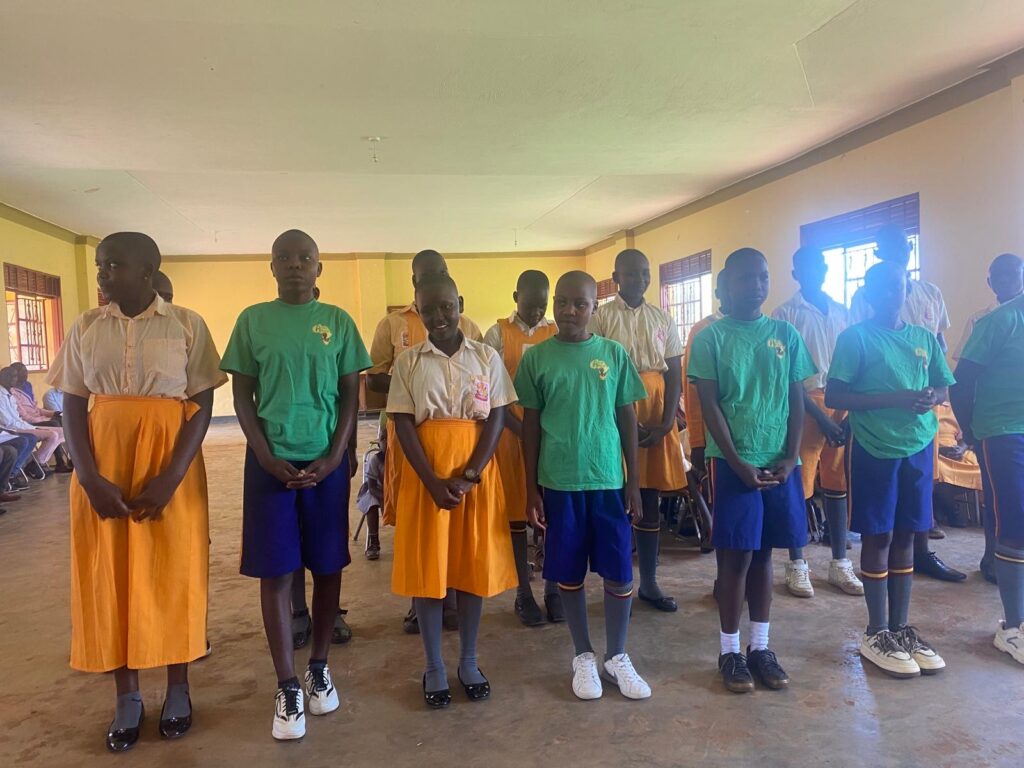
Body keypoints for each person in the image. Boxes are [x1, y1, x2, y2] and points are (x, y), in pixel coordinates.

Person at [46, 231, 225, 751]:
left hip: (170, 465)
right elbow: (72, 402)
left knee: (172, 570)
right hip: (103, 463)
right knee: (111, 574)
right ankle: (126, 696)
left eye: (113, 265)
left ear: (147, 271)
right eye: (100, 265)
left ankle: (178, 687)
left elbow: (202, 403)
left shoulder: (186, 324)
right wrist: (87, 475)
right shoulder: (85, 327)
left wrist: (172, 476)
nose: (102, 274)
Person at [221, 229, 370, 741]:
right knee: (277, 570)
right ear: (271, 266)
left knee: (327, 565)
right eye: (284, 257)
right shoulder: (252, 321)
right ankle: (287, 685)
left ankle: (319, 666)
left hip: (325, 463)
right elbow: (242, 397)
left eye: (305, 257)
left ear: (319, 267)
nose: (294, 264)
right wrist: (265, 455)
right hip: (270, 464)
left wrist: (335, 456)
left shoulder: (337, 322)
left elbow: (350, 397)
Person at [516, 270, 652, 702]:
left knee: (619, 571)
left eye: (580, 303)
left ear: (595, 307)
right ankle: (583, 655)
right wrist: (531, 489)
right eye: (562, 302)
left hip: (608, 481)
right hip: (559, 483)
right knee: (569, 572)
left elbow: (627, 418)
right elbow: (529, 428)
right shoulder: (536, 359)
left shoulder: (613, 354)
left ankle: (617, 655)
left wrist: (633, 481)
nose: (569, 311)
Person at [689, 248, 815, 693]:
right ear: (725, 285)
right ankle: (729, 651)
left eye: (763, 276)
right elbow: (710, 406)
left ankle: (760, 647)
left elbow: (796, 398)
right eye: (745, 278)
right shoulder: (711, 339)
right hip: (734, 463)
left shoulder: (785, 334)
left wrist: (791, 455)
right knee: (735, 556)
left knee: (764, 554)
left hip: (779, 463)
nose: (756, 286)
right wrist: (736, 461)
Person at [388, 272, 517, 708]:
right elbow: (403, 422)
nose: (439, 316)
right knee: (429, 569)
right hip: (426, 476)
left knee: (471, 566)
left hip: (474, 474)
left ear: (460, 303)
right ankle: (434, 667)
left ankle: (469, 660)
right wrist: (431, 481)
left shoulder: (485, 357)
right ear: (418, 312)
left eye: (446, 306)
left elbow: (496, 415)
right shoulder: (408, 362)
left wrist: (472, 473)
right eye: (428, 310)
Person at [826, 260, 953, 678]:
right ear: (867, 293)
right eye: (881, 288)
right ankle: (876, 631)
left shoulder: (924, 337)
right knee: (878, 535)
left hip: (917, 445)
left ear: (907, 290)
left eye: (897, 287)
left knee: (907, 534)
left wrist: (931, 396)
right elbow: (836, 394)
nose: (890, 294)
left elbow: (943, 385)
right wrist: (895, 399)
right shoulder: (855, 338)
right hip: (874, 447)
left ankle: (900, 628)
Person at [366, 249, 483, 633]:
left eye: (440, 272)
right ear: (414, 284)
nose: (439, 315)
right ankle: (422, 598)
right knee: (417, 517)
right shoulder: (392, 324)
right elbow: (374, 378)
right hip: (408, 432)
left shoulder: (469, 326)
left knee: (459, 521)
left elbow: (483, 384)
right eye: (424, 276)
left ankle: (452, 596)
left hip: (461, 439)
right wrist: (413, 379)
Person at [849, 224, 962, 581]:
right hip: (879, 422)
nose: (898, 253)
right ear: (878, 253)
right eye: (888, 248)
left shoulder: (929, 292)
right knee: (881, 521)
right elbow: (856, 353)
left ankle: (922, 554)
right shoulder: (864, 299)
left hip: (919, 417)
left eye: (903, 247)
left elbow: (939, 345)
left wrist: (934, 392)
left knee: (915, 505)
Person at [591, 249, 685, 612]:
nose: (641, 279)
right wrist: (615, 418)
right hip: (614, 406)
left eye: (645, 273)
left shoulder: (662, 318)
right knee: (617, 496)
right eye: (632, 274)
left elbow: (673, 373)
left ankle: (649, 581)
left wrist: (666, 421)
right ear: (616, 277)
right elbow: (595, 369)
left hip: (656, 409)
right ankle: (618, 583)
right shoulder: (600, 318)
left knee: (649, 498)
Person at [772, 247, 862, 598]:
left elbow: (857, 365)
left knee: (838, 486)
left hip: (842, 404)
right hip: (804, 406)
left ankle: (840, 562)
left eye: (820, 266)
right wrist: (821, 417)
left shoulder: (841, 312)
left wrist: (848, 415)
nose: (816, 271)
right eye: (807, 267)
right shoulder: (785, 315)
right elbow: (787, 376)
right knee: (801, 485)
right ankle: (797, 564)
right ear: (796, 274)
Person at [483, 269, 561, 625]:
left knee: (553, 513)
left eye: (542, 306)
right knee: (516, 515)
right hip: (510, 433)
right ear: (516, 298)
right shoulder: (497, 334)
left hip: (551, 435)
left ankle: (554, 590)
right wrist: (522, 431)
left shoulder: (556, 332)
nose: (536, 312)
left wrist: (544, 432)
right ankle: (523, 593)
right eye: (530, 305)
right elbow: (491, 391)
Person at [951, 288, 1024, 665]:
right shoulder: (1001, 321)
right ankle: (1013, 627)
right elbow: (961, 382)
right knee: (1014, 524)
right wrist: (972, 433)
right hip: (1004, 433)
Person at [682, 273, 730, 478]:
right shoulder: (703, 331)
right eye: (729, 287)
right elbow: (692, 392)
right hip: (713, 435)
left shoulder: (763, 329)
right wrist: (697, 441)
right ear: (718, 293)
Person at [0, 366, 67, 475]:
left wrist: (35, 425)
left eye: (15, 376)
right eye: (10, 376)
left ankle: (36, 463)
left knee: (62, 431)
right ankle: (31, 466)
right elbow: (10, 422)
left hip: (23, 425)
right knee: (51, 434)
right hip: (13, 428)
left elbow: (33, 409)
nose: (13, 378)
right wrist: (34, 427)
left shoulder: (13, 392)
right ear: (2, 378)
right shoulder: (5, 395)